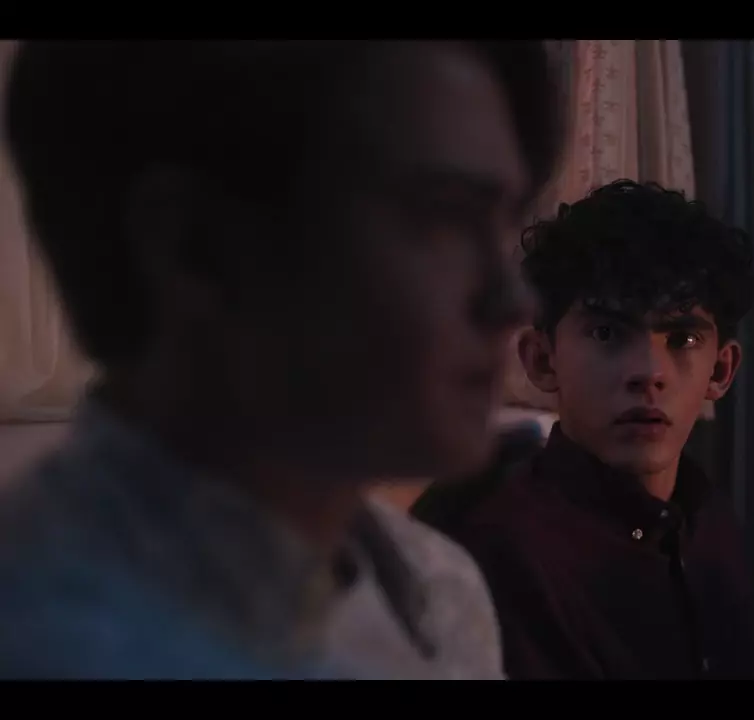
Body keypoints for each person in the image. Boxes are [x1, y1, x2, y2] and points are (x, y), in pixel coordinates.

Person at [0, 40, 562, 679]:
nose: (512, 300)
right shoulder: (43, 640)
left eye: (505, 223)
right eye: (442, 218)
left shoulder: (441, 594)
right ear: (195, 248)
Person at [418, 179, 754, 679]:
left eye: (683, 338)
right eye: (607, 333)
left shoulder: (708, 522)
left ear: (721, 371)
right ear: (542, 360)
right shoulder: (509, 556)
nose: (648, 372)